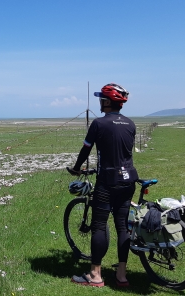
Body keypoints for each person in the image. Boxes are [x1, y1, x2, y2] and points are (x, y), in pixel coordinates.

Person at [67, 83, 137, 288]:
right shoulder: (131, 124)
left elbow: (86, 150)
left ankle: (95, 275)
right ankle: (121, 275)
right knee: (122, 227)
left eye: (101, 99)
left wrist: (77, 168)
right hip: (129, 179)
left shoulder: (98, 124)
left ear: (106, 102)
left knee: (98, 226)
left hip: (108, 182)